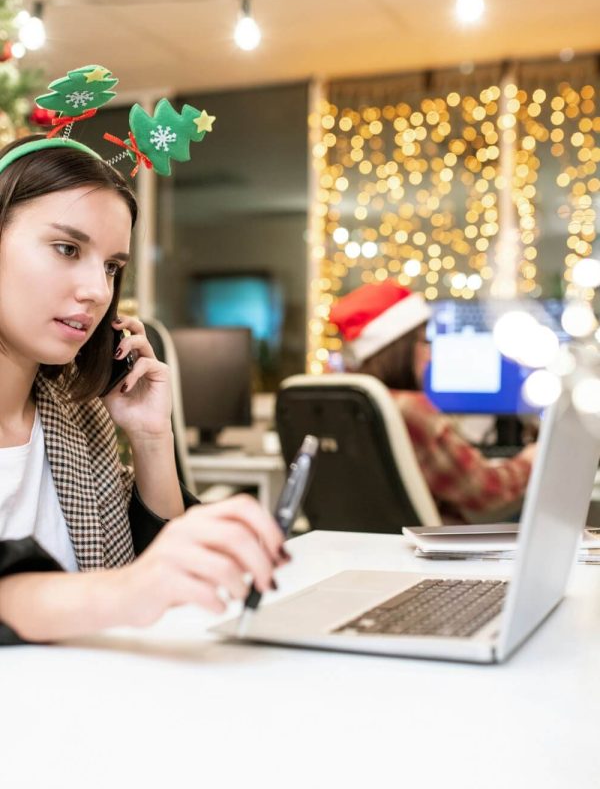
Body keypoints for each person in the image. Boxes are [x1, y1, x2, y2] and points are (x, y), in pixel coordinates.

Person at [0, 135, 286, 645]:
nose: (96, 290)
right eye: (67, 249)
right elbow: (132, 587)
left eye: (112, 267)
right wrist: (123, 591)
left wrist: (152, 439)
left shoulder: (75, 415)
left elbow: (160, 588)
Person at [330, 281, 536, 522]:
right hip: (431, 549)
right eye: (423, 342)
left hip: (372, 548)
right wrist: (532, 459)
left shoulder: (343, 401)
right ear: (398, 349)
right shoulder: (409, 409)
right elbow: (485, 490)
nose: (430, 354)